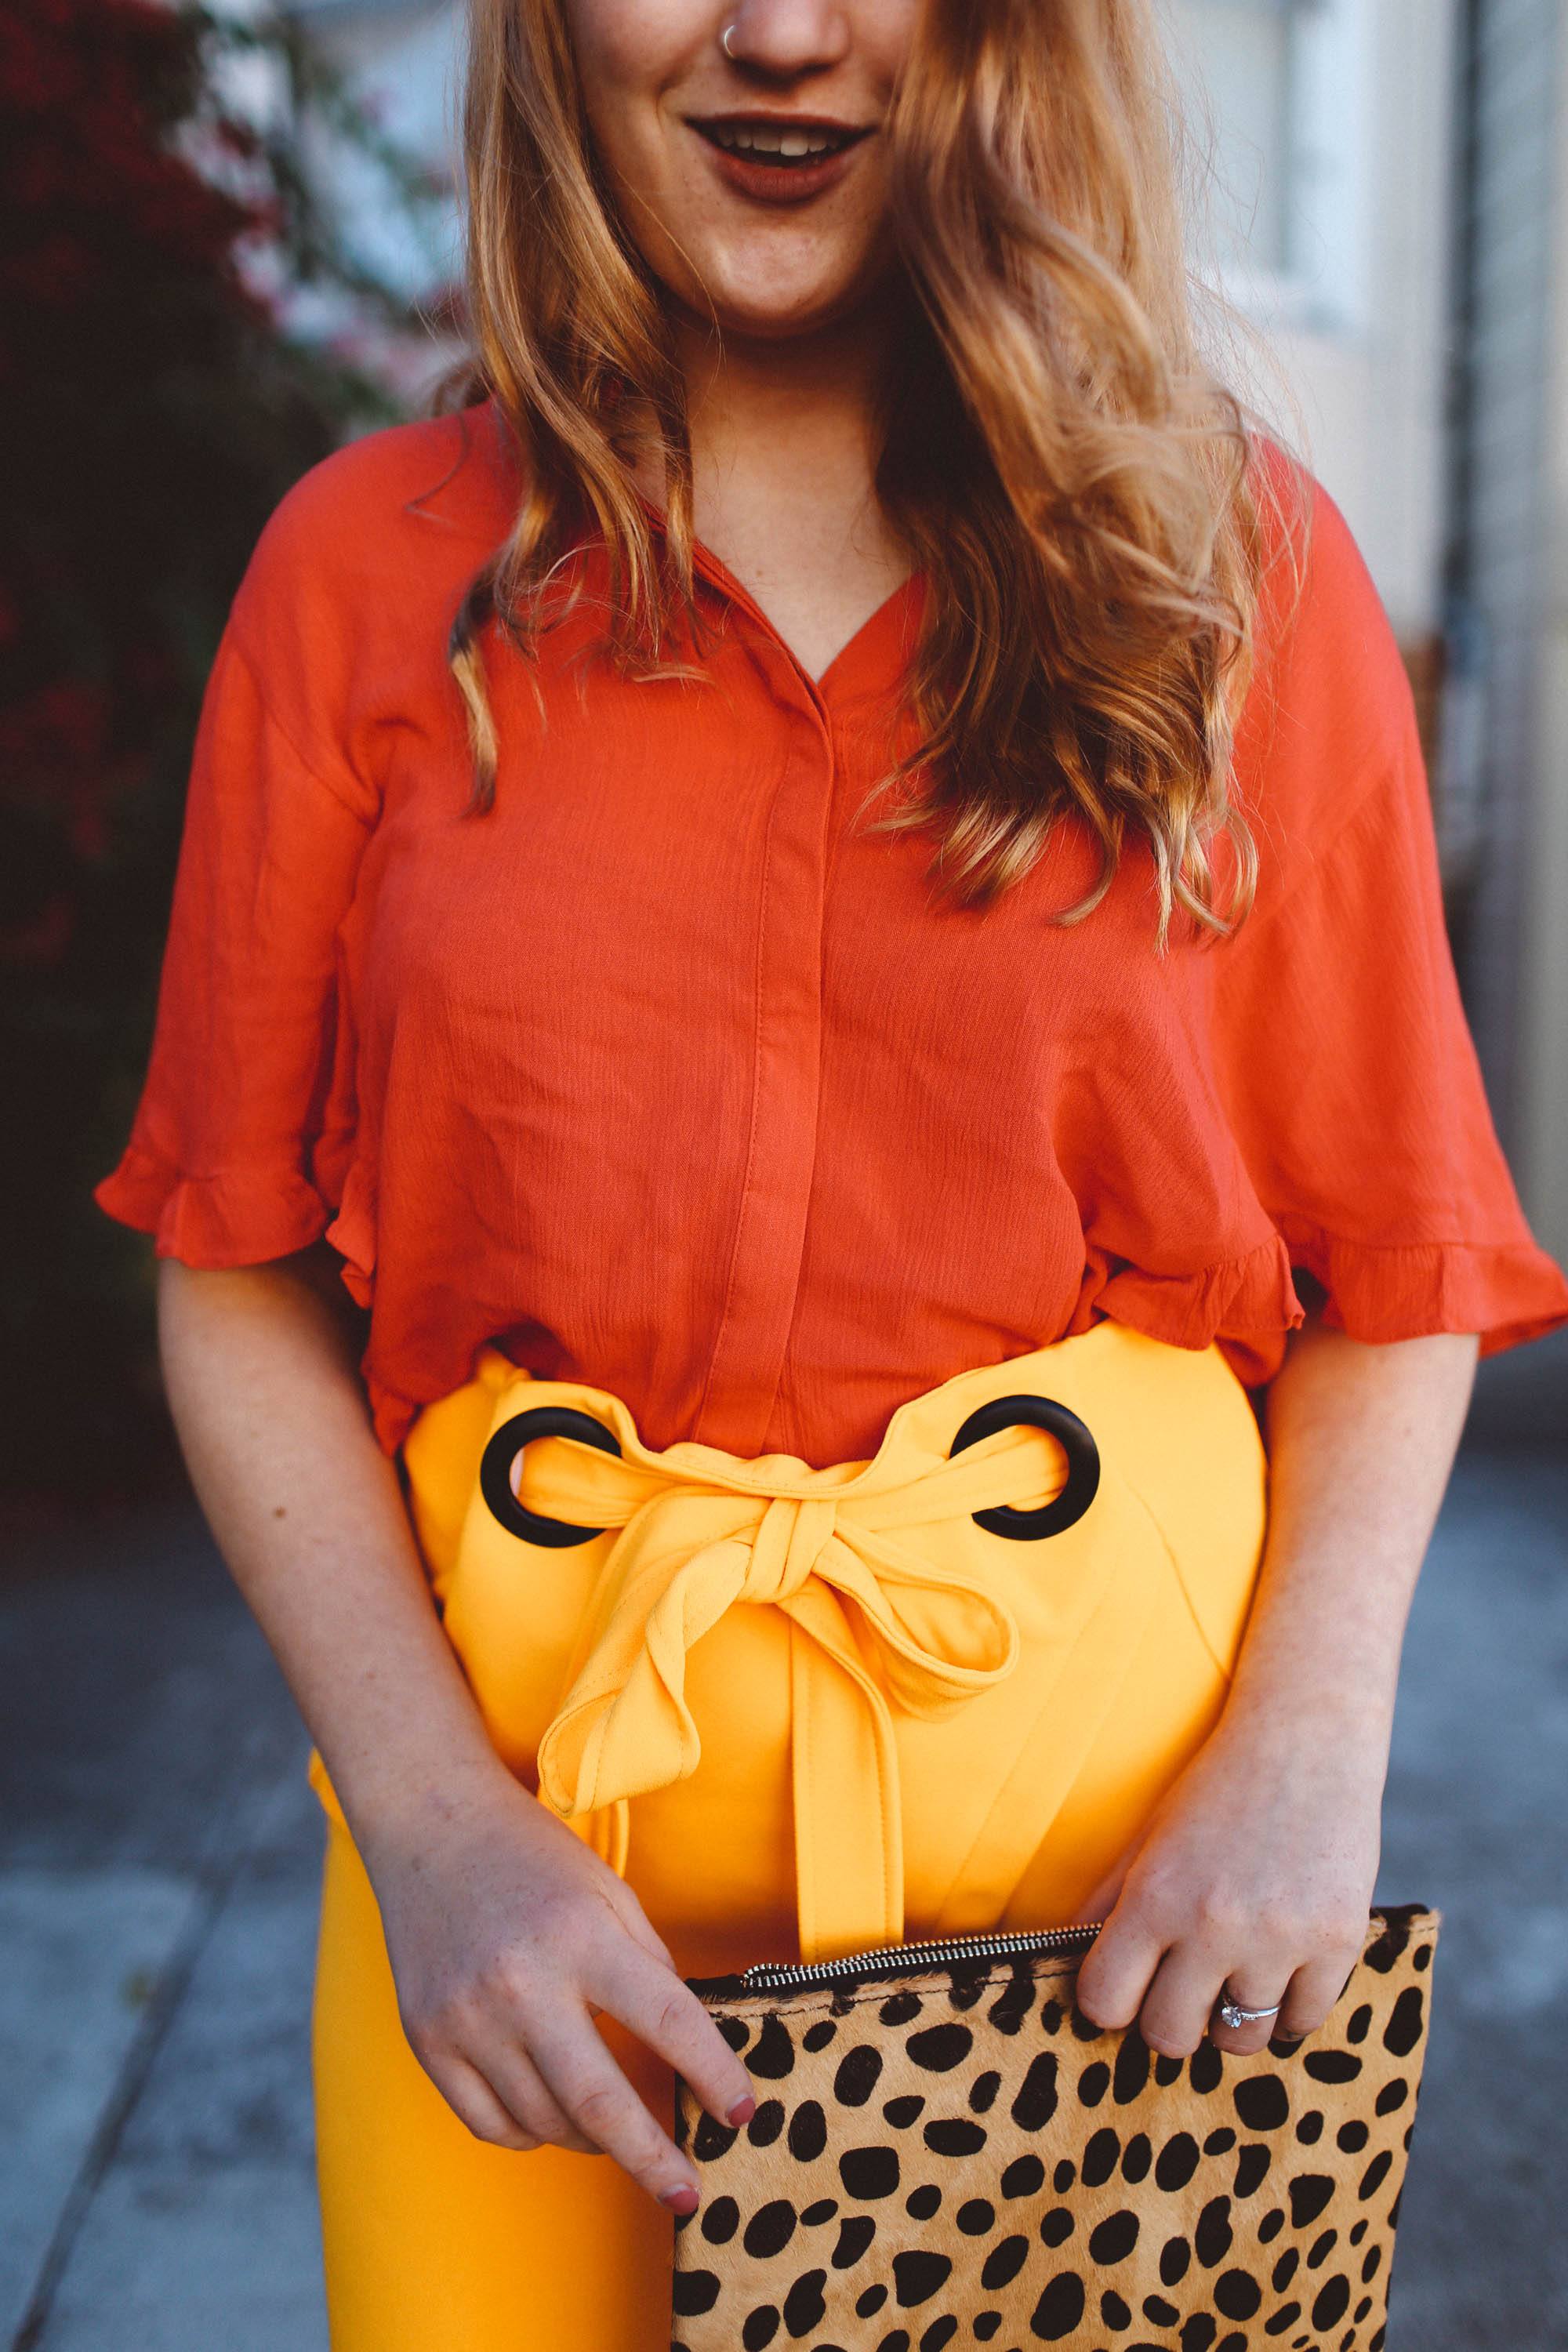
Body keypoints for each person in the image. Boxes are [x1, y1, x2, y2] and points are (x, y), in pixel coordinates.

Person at [94, 0, 1568, 2344]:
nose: (781, 34)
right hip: (527, 1938)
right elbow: (235, 1260)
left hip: (1112, 1943)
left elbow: (1398, 1253)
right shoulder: (362, 572)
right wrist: (432, 1830)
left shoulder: (1230, 573)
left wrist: (1310, 1760)